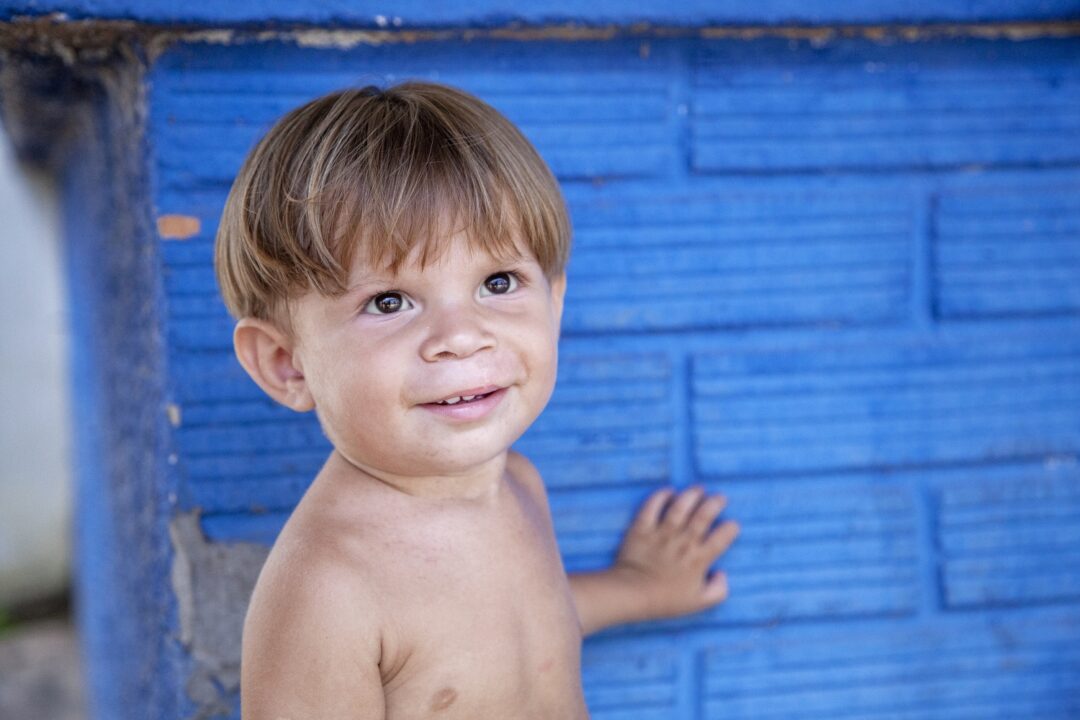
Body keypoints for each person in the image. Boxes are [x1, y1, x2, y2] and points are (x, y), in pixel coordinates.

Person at [214, 80, 740, 719]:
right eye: (389, 301)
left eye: (498, 282)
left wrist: (639, 589)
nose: (461, 336)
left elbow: (522, 626)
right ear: (286, 364)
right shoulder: (329, 586)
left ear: (554, 302)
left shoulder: (519, 484)